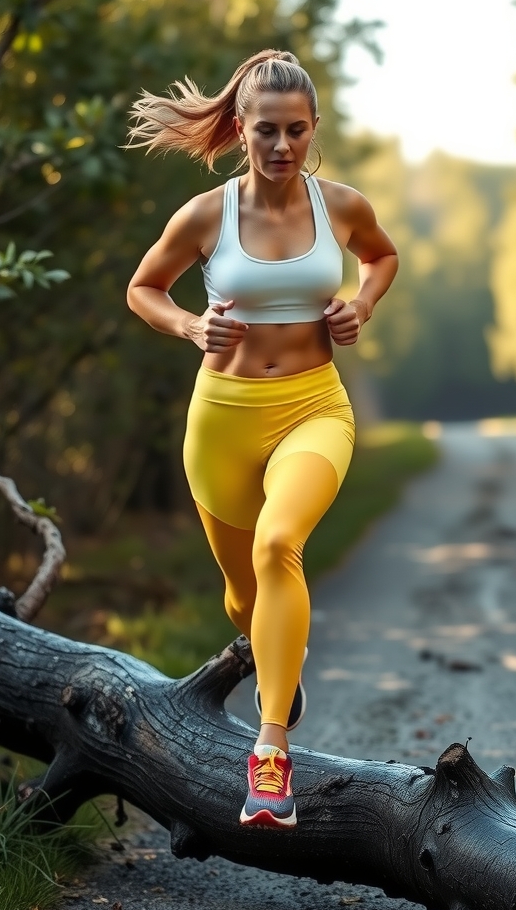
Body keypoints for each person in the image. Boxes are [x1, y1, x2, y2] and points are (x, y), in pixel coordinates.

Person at [125, 49, 398, 829]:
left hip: (314, 407)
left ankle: (269, 752)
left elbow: (382, 257)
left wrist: (361, 305)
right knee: (243, 592)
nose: (282, 147)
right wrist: (187, 323)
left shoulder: (340, 206)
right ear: (239, 129)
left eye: (297, 132)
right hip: (221, 420)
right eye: (267, 132)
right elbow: (143, 288)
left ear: (315, 131)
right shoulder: (206, 216)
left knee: (280, 546)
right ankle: (275, 656)